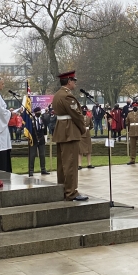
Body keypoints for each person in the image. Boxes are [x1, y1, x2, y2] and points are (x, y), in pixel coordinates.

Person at [52, 71, 88, 201]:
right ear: (69, 81)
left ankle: (63, 188)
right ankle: (71, 192)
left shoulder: (57, 95)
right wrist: (83, 128)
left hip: (61, 130)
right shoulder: (67, 96)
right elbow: (77, 115)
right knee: (70, 163)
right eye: (74, 80)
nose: (75, 83)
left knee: (62, 163)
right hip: (69, 131)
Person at [28, 107, 49, 177]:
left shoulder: (43, 119)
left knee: (42, 155)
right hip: (33, 139)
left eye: (40, 111)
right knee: (32, 155)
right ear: (35, 112)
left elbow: (45, 129)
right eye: (38, 112)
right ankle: (31, 171)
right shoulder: (31, 119)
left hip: (41, 139)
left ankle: (43, 169)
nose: (39, 113)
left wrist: (45, 138)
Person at [79, 105, 94, 170]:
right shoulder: (79, 118)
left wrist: (87, 129)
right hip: (81, 135)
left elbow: (91, 126)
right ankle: (79, 165)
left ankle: (89, 164)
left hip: (87, 135)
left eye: (85, 111)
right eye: (83, 111)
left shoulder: (89, 118)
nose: (84, 112)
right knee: (80, 151)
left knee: (89, 150)